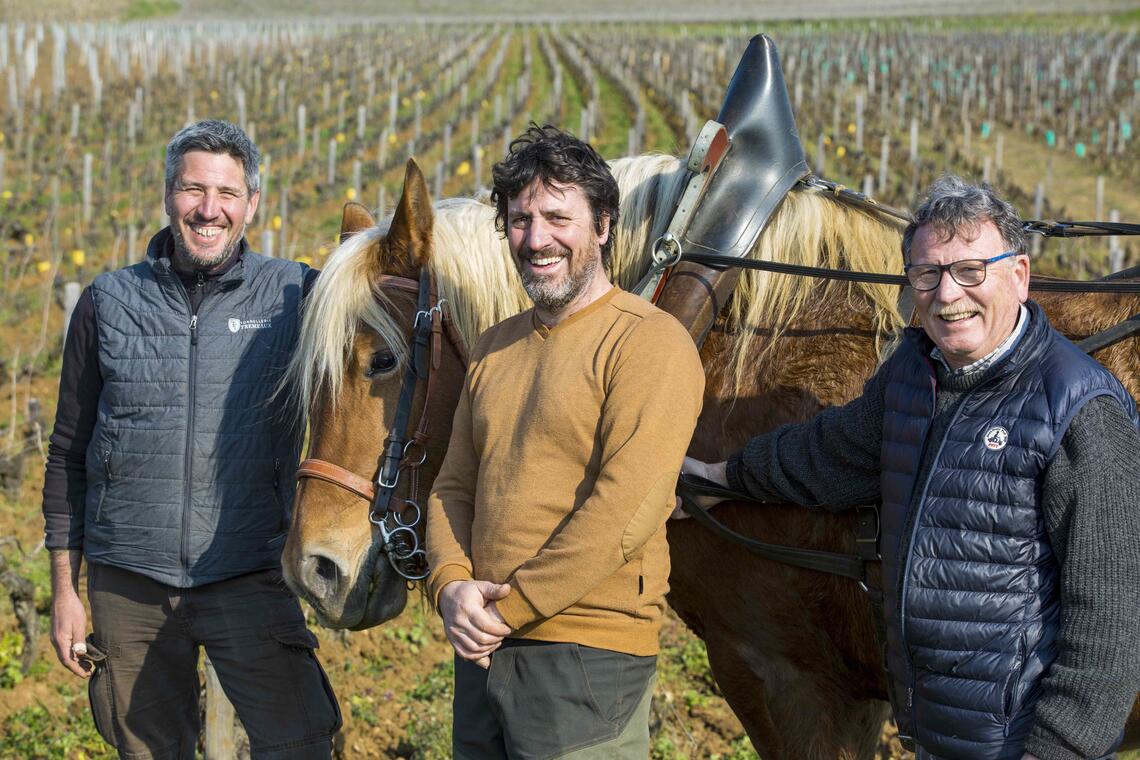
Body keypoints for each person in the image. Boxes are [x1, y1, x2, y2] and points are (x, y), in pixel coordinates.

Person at [681, 175, 1140, 760]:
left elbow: (1107, 629)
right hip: (936, 733)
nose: (949, 295)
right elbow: (831, 453)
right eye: (929, 274)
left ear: (1020, 276)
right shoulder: (915, 376)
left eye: (971, 271)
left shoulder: (1078, 406)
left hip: (1021, 742)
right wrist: (720, 478)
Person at [42, 119, 340, 759]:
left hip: (251, 572)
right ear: (168, 194)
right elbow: (69, 451)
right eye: (193, 189)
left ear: (253, 203)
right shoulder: (108, 301)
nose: (210, 209)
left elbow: (383, 340)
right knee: (147, 750)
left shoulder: (298, 294)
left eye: (228, 193)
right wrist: (65, 591)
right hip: (130, 583)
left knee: (301, 743)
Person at [424, 124, 704, 759]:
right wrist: (450, 585)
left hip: (586, 652)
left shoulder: (647, 343)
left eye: (557, 216)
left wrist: (509, 606)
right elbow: (452, 487)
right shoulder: (494, 347)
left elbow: (626, 511)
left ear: (603, 225)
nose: (536, 238)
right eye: (520, 220)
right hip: (486, 647)